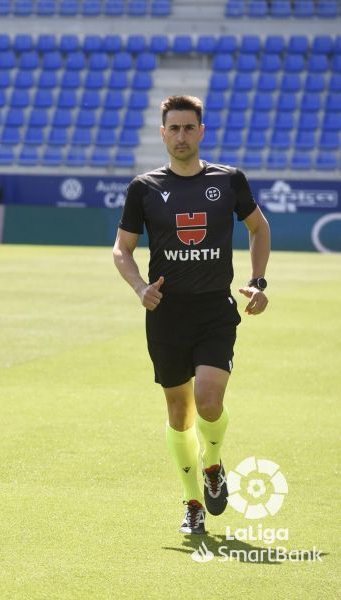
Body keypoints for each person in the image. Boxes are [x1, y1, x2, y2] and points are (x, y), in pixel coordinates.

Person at [112, 95, 271, 535]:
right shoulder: (143, 188)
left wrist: (258, 282)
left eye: (188, 128)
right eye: (173, 129)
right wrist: (141, 288)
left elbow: (259, 228)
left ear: (201, 132)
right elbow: (121, 250)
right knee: (179, 415)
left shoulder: (229, 180)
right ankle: (193, 502)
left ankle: (214, 463)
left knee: (209, 401)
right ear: (163, 134)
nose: (181, 136)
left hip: (215, 310)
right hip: (166, 314)